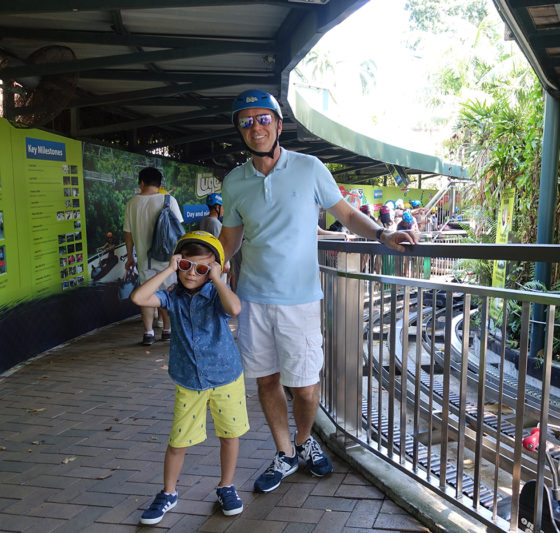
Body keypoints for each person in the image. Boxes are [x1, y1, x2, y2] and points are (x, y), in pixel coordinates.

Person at [219, 89, 418, 494]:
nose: (255, 127)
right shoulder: (235, 181)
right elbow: (230, 239)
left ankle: (304, 440)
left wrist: (383, 235)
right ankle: (284, 452)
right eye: (246, 121)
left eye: (262, 119)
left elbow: (345, 213)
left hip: (301, 300)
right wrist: (207, 262)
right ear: (240, 130)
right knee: (266, 381)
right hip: (254, 298)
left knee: (306, 387)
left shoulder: (309, 168)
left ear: (278, 124)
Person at [131, 231, 247, 525]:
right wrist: (169, 269)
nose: (192, 273)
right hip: (189, 381)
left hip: (225, 377)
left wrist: (218, 279)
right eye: (186, 265)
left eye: (202, 268)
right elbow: (139, 297)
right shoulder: (172, 297)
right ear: (178, 263)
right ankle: (168, 492)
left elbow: (235, 308)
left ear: (213, 270)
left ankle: (226, 486)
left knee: (229, 435)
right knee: (178, 441)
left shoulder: (216, 294)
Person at [124, 167, 184, 346]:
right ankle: (167, 330)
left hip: (145, 260)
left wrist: (130, 257)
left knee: (147, 293)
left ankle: (148, 332)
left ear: (141, 183)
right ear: (160, 184)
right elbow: (178, 229)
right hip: (168, 259)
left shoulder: (131, 203)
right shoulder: (169, 200)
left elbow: (128, 234)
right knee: (169, 292)